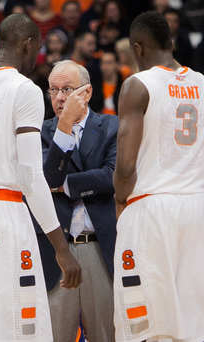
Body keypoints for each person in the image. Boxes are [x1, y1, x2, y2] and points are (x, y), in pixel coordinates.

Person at [0, 13, 82, 342]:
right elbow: (30, 175)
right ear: (27, 45)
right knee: (16, 327)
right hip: (2, 214)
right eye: (36, 48)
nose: (37, 56)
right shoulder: (25, 89)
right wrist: (60, 249)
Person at [113, 11, 204, 342]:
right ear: (171, 41)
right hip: (197, 206)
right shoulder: (202, 84)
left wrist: (121, 200)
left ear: (137, 48)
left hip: (152, 206)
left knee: (144, 319)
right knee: (194, 318)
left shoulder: (139, 84)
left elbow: (125, 166)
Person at [31, 59, 118, 341]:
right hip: (56, 249)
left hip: (101, 248)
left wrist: (68, 185)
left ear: (87, 92)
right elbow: (47, 181)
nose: (59, 98)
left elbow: (113, 177)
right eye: (53, 90)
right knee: (55, 335)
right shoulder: (40, 132)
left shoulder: (112, 126)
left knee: (107, 334)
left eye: (67, 90)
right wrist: (65, 123)